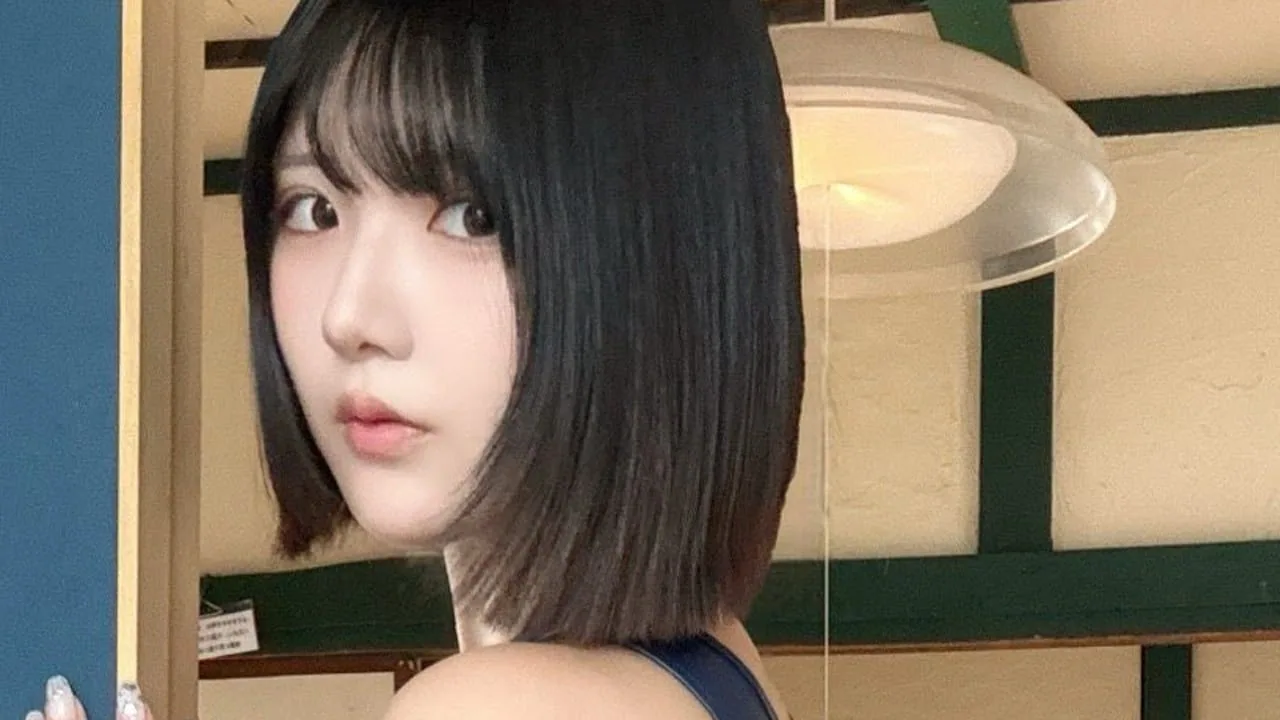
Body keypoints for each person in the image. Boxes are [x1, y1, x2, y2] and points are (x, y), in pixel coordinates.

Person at [28, 0, 805, 717]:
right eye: (313, 210)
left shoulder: (500, 707)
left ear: (659, 263)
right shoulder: (712, 664)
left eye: (472, 217)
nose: (348, 317)